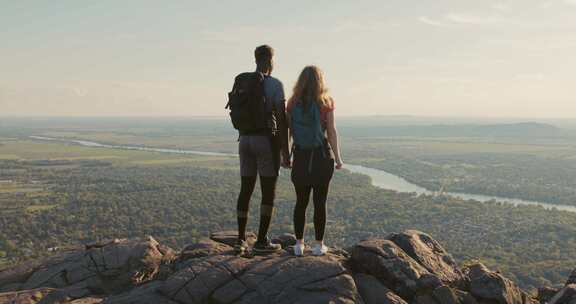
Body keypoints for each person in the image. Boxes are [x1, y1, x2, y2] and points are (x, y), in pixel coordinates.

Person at [227, 45, 290, 255]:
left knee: (246, 188)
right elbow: (281, 120)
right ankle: (262, 240)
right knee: (268, 191)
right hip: (265, 141)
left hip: (244, 140)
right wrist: (285, 151)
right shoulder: (274, 84)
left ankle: (240, 239)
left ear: (255, 59)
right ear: (271, 60)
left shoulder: (242, 81)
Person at [286, 65, 343, 256]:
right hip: (321, 157)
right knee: (320, 202)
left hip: (300, 157)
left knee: (300, 202)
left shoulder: (293, 103)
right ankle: (319, 245)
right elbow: (332, 131)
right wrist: (338, 158)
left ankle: (299, 244)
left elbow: (288, 132)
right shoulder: (326, 102)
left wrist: (285, 156)